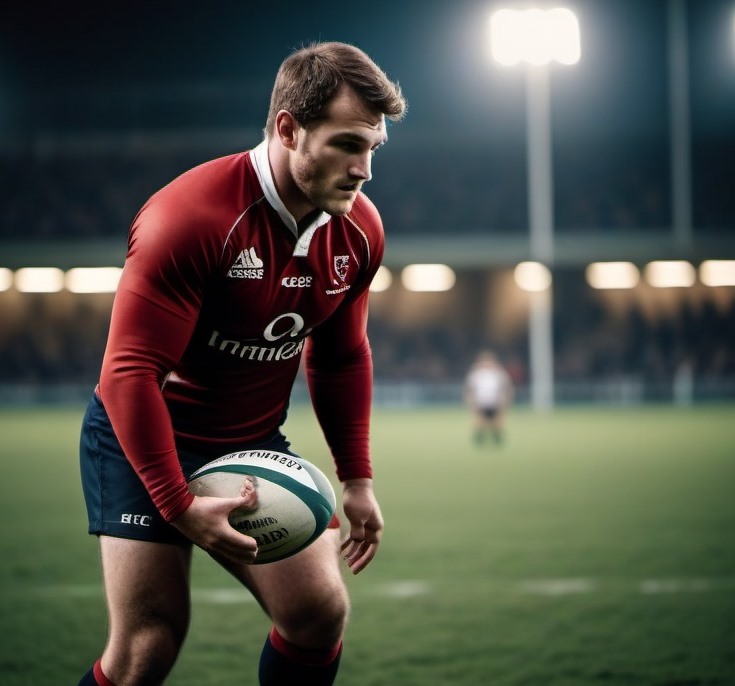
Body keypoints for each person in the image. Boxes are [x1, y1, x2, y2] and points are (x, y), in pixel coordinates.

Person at [77, 41, 406, 686]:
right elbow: (128, 374)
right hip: (144, 437)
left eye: (373, 148)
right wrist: (176, 503)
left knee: (317, 613)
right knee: (147, 645)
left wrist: (358, 478)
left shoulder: (359, 229)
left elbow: (341, 357)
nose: (364, 169)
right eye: (347, 144)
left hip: (249, 446)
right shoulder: (190, 218)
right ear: (288, 127)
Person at [463, 350, 513, 446]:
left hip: (495, 402)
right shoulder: (476, 374)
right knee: (478, 421)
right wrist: (470, 400)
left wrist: (506, 399)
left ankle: (497, 439)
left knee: (497, 422)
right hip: (480, 402)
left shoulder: (499, 373)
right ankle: (479, 440)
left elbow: (506, 387)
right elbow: (469, 389)